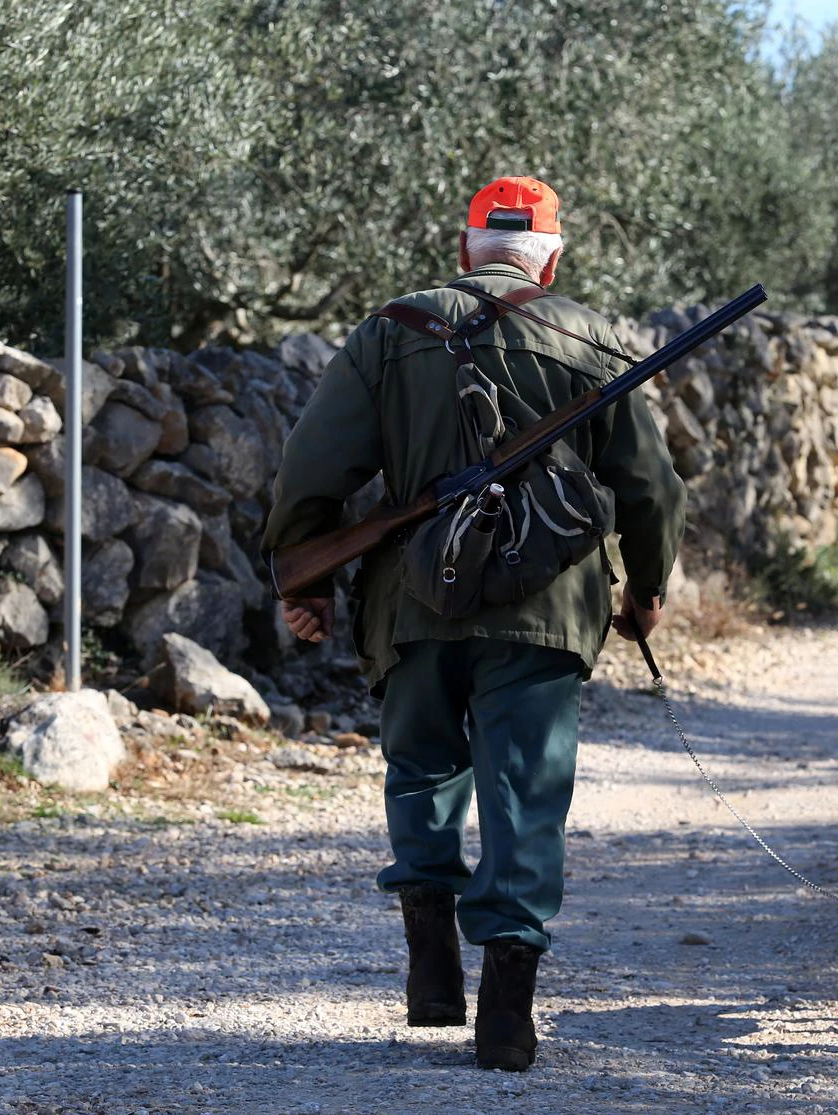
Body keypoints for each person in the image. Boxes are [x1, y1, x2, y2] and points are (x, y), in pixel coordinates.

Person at [260, 176, 685, 1071]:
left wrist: (306, 580)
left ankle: (431, 973)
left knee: (421, 771)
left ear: (466, 252)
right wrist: (644, 589)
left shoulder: (388, 331)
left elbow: (311, 467)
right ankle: (506, 1017)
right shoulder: (592, 338)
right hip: (546, 612)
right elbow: (651, 488)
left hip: (410, 610)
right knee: (525, 792)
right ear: (552, 257)